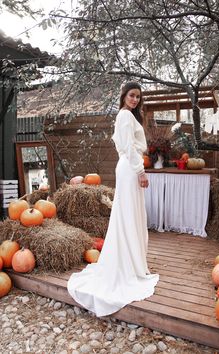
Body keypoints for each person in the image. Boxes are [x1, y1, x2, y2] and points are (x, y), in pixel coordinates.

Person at [67, 81, 159, 317]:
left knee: (129, 214)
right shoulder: (126, 116)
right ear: (124, 96)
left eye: (138, 96)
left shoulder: (127, 116)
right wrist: (141, 172)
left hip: (128, 166)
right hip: (130, 167)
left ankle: (133, 262)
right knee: (129, 215)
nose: (135, 99)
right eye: (132, 95)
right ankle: (129, 266)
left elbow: (125, 145)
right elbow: (128, 147)